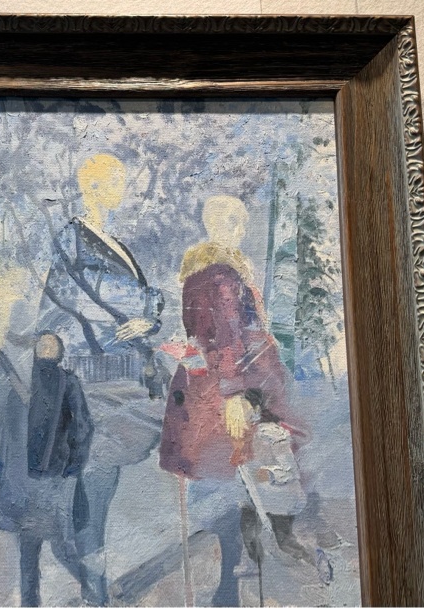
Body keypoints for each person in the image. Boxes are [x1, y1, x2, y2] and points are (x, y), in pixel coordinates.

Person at [159, 195, 306, 606]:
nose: (239, 231)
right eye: (232, 223)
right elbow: (225, 337)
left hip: (213, 386)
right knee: (243, 474)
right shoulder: (222, 276)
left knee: (232, 479)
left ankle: (234, 579)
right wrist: (234, 393)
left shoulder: (201, 273)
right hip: (229, 389)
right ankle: (235, 582)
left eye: (241, 223)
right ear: (216, 225)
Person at [32, 153, 166, 605]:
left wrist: (147, 320)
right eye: (113, 181)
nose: (121, 189)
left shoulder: (116, 242)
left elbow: (146, 297)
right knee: (96, 477)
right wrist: (125, 315)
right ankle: (94, 583)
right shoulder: (72, 239)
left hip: (125, 371)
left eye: (121, 180)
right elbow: (69, 299)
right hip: (92, 372)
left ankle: (92, 571)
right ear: (90, 187)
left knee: (103, 479)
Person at [0, 332, 93, 607]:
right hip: (49, 481)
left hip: (33, 483)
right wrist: (73, 465)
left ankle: (40, 600)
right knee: (56, 545)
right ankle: (89, 588)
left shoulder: (27, 384)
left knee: (36, 548)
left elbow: (3, 434)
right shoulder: (65, 382)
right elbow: (83, 427)